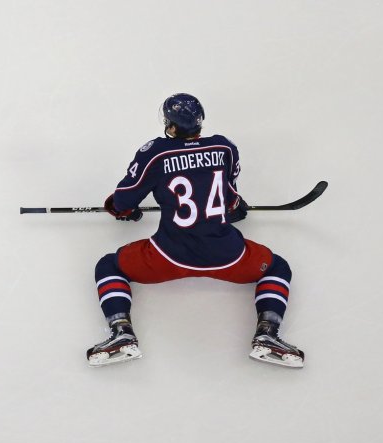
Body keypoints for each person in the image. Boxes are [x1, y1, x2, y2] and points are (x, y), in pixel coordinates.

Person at [87, 93, 304, 368]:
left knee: (109, 266)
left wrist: (123, 211)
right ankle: (268, 334)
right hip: (228, 256)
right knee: (277, 267)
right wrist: (235, 207)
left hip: (167, 256)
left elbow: (123, 200)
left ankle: (121, 332)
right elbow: (229, 196)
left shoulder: (156, 152)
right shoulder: (224, 148)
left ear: (172, 126)